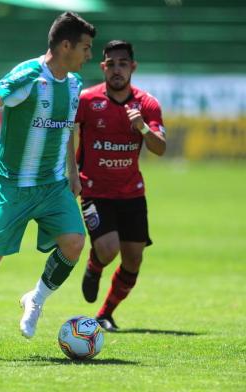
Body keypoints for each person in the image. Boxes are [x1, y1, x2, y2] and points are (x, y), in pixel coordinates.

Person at [0, 12, 96, 360]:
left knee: (74, 244)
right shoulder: (30, 75)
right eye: (86, 48)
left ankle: (36, 299)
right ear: (65, 45)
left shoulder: (73, 84)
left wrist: (72, 172)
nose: (89, 55)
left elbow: (67, 130)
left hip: (53, 186)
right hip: (11, 187)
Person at [75, 40, 166, 331]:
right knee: (108, 248)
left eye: (122, 64)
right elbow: (65, 133)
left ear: (133, 67)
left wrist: (141, 126)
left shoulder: (147, 104)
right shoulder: (87, 100)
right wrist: (69, 172)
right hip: (94, 190)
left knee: (133, 258)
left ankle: (105, 313)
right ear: (103, 67)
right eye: (111, 64)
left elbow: (160, 148)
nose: (117, 70)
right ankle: (94, 265)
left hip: (131, 193)